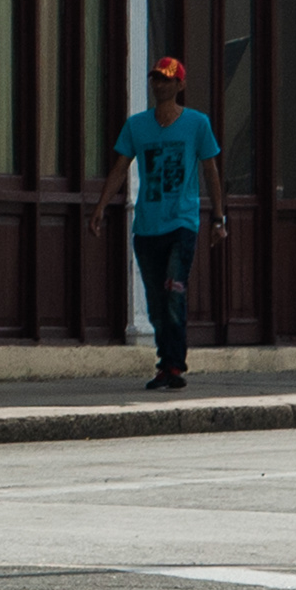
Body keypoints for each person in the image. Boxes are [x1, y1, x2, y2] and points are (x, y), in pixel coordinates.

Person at [87, 53, 231, 390]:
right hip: (147, 227)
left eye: (167, 79)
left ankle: (174, 365)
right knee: (155, 300)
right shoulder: (137, 125)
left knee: (174, 291)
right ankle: (164, 363)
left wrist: (218, 218)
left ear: (180, 85)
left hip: (182, 223)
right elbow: (120, 168)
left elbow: (210, 171)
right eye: (156, 78)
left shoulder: (197, 124)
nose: (160, 84)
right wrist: (101, 206)